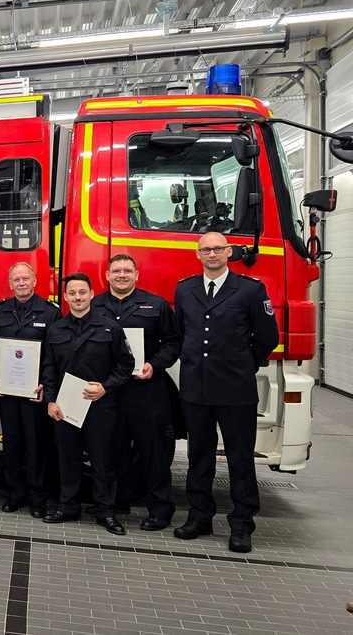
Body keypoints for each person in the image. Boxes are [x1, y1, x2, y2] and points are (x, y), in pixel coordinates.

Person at [173, 232, 278, 553]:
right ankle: (199, 517)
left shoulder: (250, 290)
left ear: (229, 252)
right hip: (196, 388)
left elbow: (267, 337)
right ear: (198, 254)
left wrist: (243, 364)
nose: (212, 254)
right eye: (206, 250)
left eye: (218, 249)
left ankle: (242, 524)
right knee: (198, 457)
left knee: (240, 458)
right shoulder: (185, 289)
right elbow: (181, 332)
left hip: (235, 389)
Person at [92, 254, 181, 531]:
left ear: (136, 274)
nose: (121, 275)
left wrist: (154, 365)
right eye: (116, 271)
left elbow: (173, 343)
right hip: (110, 391)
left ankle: (160, 509)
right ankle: (118, 502)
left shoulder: (156, 305)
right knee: (114, 450)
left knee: (153, 451)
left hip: (147, 390)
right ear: (106, 276)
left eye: (127, 271)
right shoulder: (95, 306)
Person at [41, 273, 134, 535]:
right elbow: (48, 368)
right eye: (72, 293)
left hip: (99, 407)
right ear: (66, 297)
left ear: (92, 294)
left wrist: (106, 387)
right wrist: (50, 400)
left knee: (102, 460)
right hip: (65, 407)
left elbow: (126, 365)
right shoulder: (56, 329)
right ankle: (68, 506)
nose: (78, 297)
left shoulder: (110, 328)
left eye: (82, 292)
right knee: (68, 459)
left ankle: (106, 511)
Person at [0, 262, 60, 519]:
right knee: (12, 444)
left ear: (35, 280)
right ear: (10, 283)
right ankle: (15, 493)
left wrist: (45, 384)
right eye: (16, 279)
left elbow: (55, 354)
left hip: (34, 392)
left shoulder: (50, 312)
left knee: (36, 445)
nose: (21, 283)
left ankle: (37, 496)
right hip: (7, 392)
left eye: (25, 278)